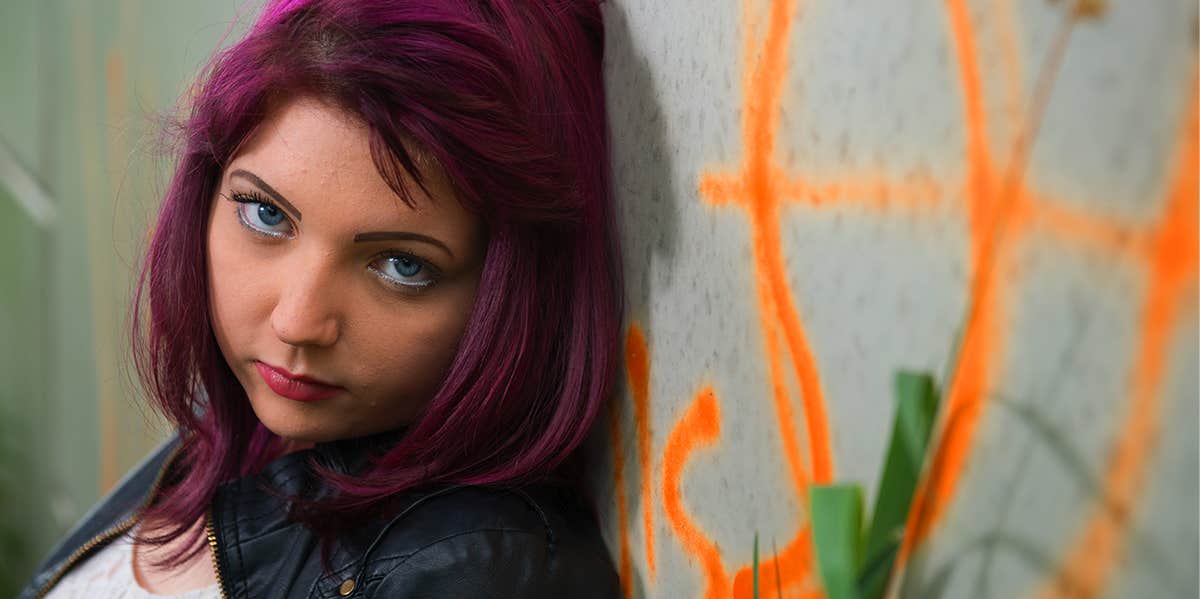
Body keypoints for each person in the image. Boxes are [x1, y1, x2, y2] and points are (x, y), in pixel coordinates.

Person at [20, 0, 622, 597]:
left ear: (513, 291)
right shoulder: (237, 433)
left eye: (401, 265)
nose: (297, 323)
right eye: (265, 214)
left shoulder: (480, 573)